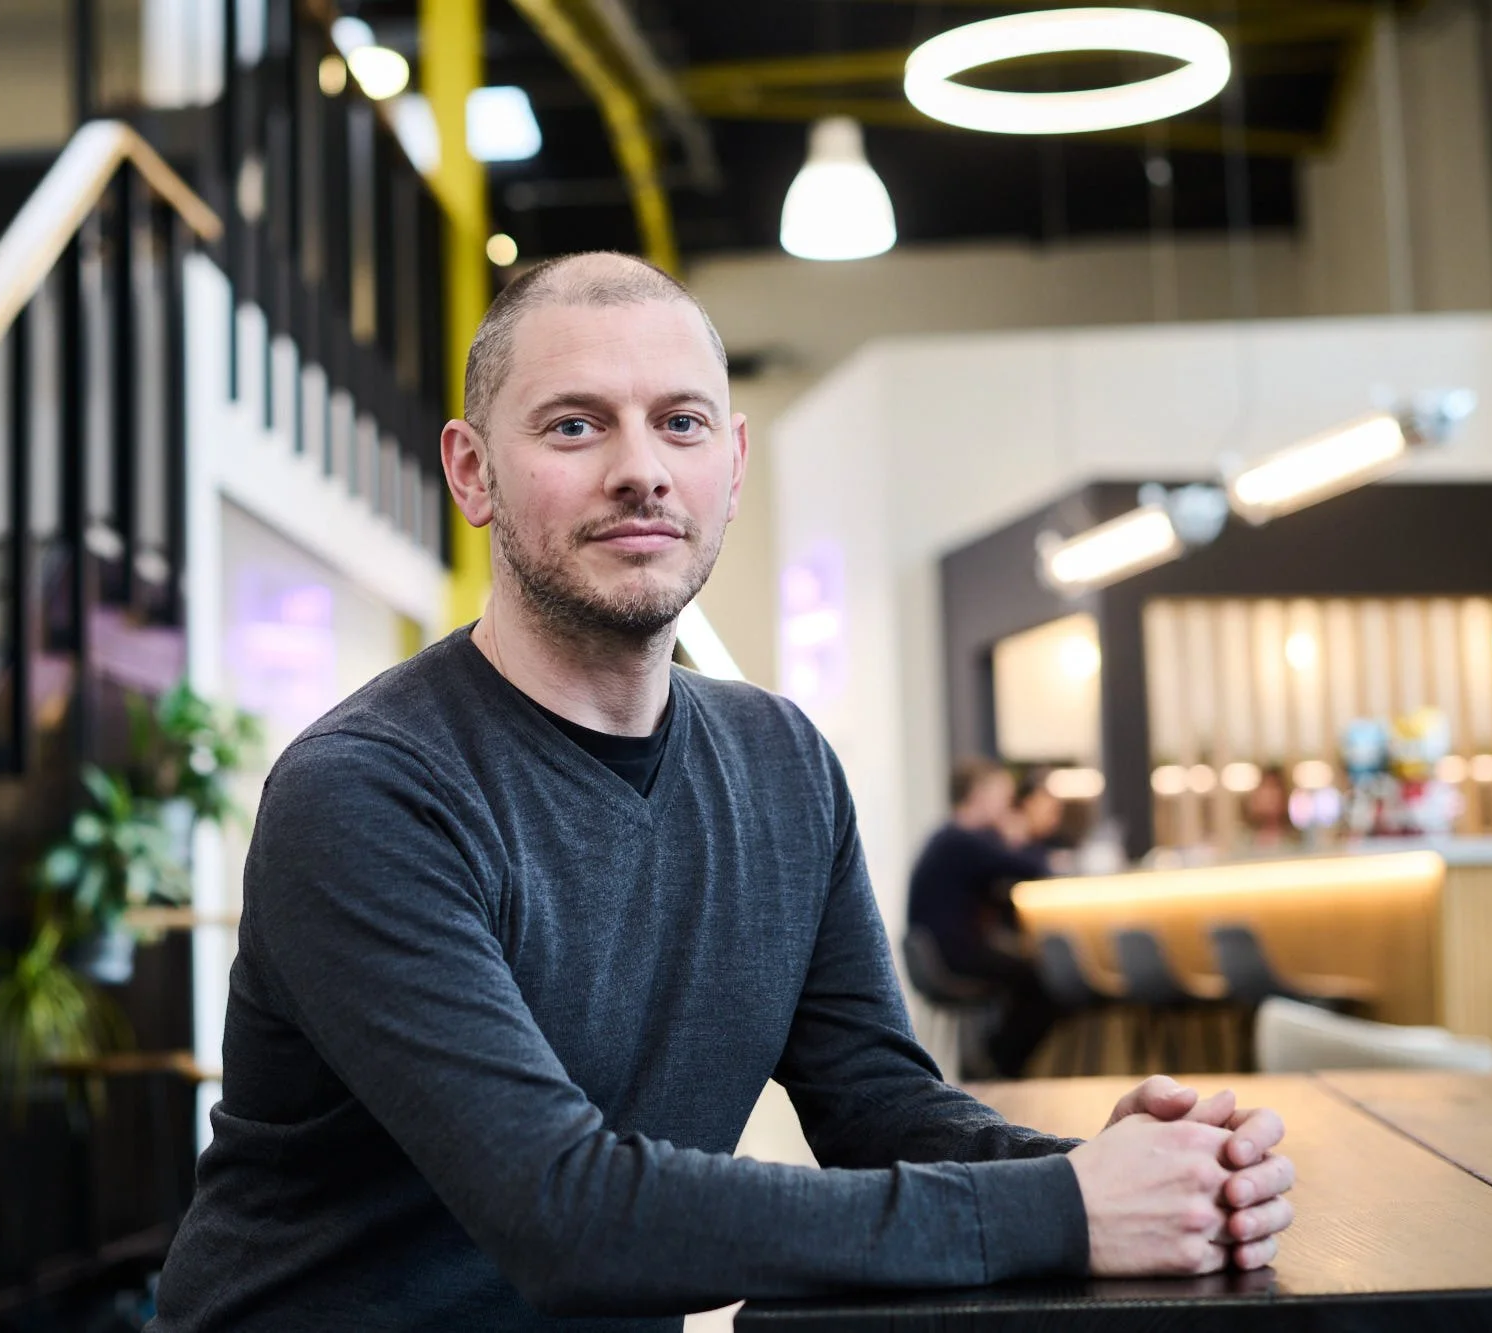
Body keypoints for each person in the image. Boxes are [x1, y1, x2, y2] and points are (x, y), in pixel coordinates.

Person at [150, 253, 1293, 1330]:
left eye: (679, 422)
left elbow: (875, 1106)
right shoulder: (365, 794)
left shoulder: (781, 761)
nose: (639, 466)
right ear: (470, 471)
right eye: (573, 423)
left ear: (731, 466)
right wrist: (1068, 1212)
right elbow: (565, 1214)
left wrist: (1128, 1173)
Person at [906, 760, 1062, 1077]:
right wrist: (1017, 836)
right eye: (1002, 796)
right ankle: (999, 1064)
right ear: (980, 795)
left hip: (945, 952)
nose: (1008, 805)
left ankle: (996, 1059)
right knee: (1043, 980)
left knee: (1030, 974)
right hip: (955, 957)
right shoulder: (964, 840)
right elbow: (1030, 866)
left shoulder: (951, 837)